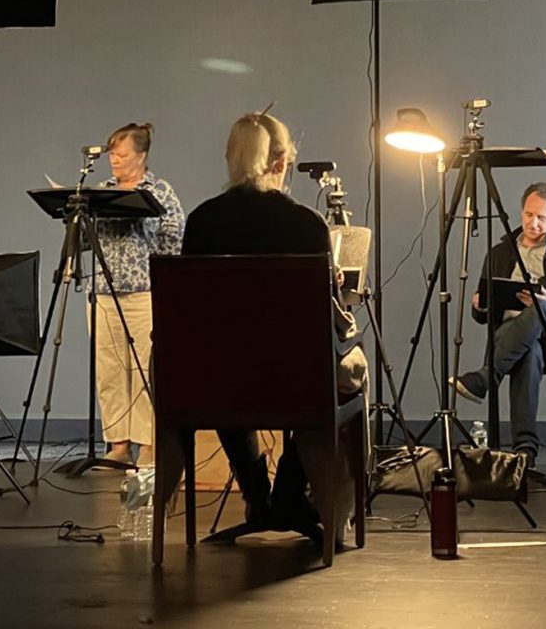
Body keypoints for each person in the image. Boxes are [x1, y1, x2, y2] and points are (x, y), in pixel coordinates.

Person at [179, 111, 368, 543]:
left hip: (215, 384)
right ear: (281, 163)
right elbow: (323, 320)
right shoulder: (305, 226)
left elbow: (197, 313)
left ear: (230, 159)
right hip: (294, 381)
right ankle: (289, 495)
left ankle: (256, 495)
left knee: (227, 369)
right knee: (346, 375)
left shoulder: (202, 222)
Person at [451, 182, 546, 468]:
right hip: (514, 336)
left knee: (539, 306)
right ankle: (525, 453)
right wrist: (480, 304)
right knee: (528, 351)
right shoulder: (498, 254)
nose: (534, 223)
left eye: (542, 217)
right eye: (529, 214)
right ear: (521, 212)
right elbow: (483, 315)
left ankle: (485, 378)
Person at [93, 122, 184, 467]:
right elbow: (88, 240)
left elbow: (175, 237)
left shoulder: (159, 190)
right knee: (110, 371)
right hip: (104, 291)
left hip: (145, 292)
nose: (114, 160)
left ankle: (148, 445)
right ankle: (118, 445)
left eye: (122, 153)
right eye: (112, 153)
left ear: (141, 155)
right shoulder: (100, 190)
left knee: (146, 368)